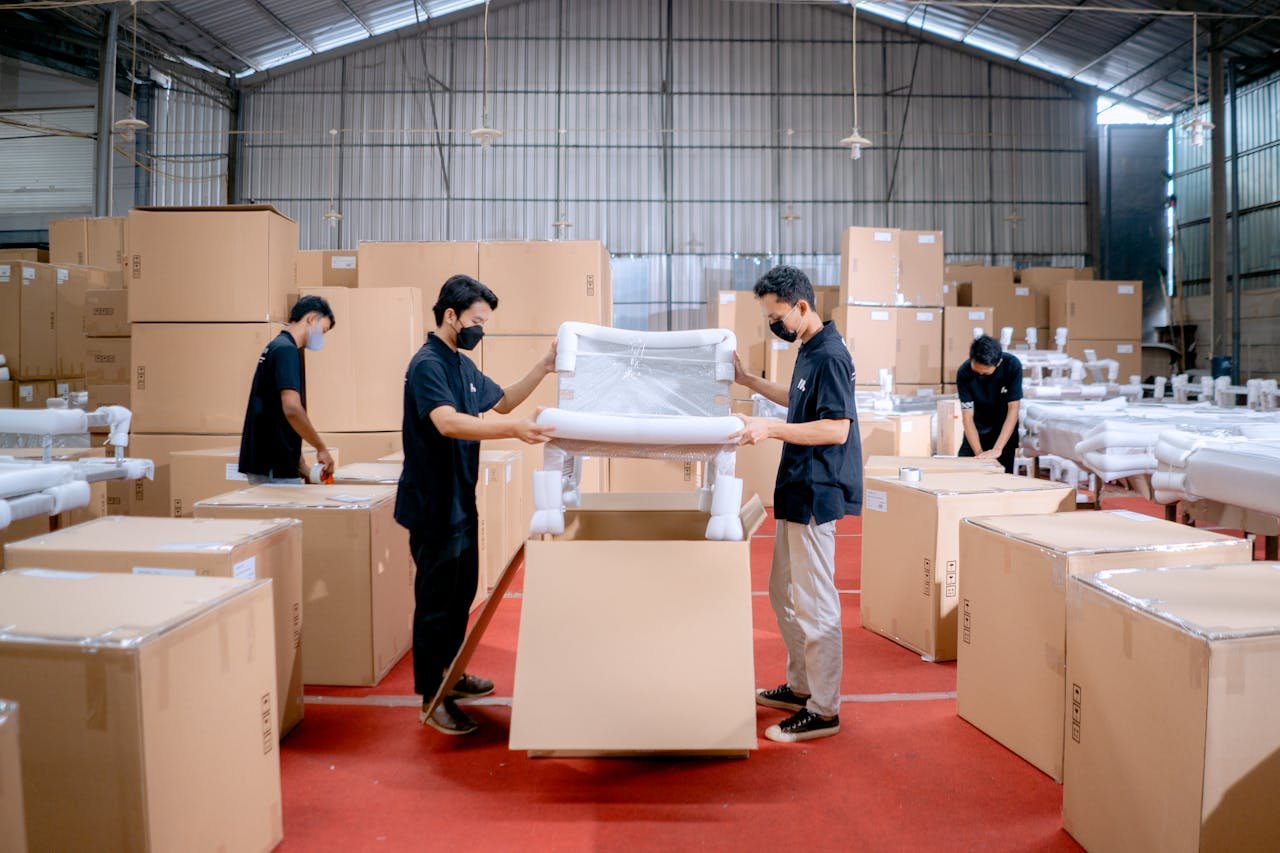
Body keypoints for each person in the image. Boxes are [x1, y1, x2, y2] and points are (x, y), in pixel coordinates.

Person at [398, 274, 557, 736]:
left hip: (460, 503)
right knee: (435, 603)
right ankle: (434, 696)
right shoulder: (428, 364)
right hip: (432, 505)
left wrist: (545, 366)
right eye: (475, 321)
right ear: (451, 316)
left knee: (460, 597)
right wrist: (514, 432)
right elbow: (447, 423)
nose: (479, 330)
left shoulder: (461, 364)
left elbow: (504, 402)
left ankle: (453, 673)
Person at [733, 265, 862, 744]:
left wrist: (768, 430)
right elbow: (798, 401)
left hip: (816, 490)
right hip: (794, 486)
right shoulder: (808, 349)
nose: (774, 324)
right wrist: (750, 382)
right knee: (782, 592)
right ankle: (801, 685)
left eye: (776, 315)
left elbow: (836, 428)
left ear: (802, 306)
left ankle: (824, 709)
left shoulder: (830, 355)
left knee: (814, 602)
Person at [238, 294, 336, 486]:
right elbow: (291, 409)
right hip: (273, 467)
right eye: (322, 330)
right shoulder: (287, 351)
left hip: (271, 463)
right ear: (310, 319)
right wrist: (321, 448)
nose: (321, 339)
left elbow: (276, 415)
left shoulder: (276, 347)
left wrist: (301, 466)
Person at [955, 335, 1023, 473]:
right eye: (977, 371)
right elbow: (967, 417)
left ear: (998, 363)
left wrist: (997, 449)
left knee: (1002, 477)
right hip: (976, 429)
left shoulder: (1012, 366)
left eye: (985, 373)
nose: (980, 375)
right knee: (963, 472)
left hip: (1003, 432)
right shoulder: (964, 372)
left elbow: (1013, 410)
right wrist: (980, 454)